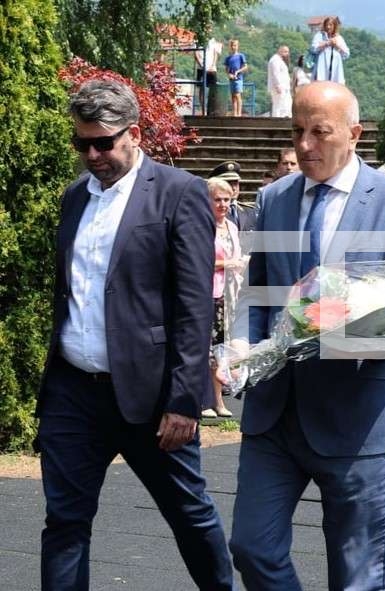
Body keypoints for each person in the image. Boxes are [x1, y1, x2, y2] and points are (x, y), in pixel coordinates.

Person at [227, 82, 385, 590]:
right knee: (251, 547)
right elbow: (258, 291)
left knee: (356, 576)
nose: (304, 145)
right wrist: (240, 346)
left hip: (356, 416)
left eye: (320, 132)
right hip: (274, 414)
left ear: (354, 134)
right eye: (297, 131)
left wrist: (340, 321)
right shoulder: (273, 199)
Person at [36, 78, 234, 590]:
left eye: (104, 143)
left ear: (135, 133)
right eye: (82, 143)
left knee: (188, 514)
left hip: (151, 398)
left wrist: (185, 399)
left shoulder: (179, 193)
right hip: (73, 394)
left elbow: (194, 305)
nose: (92, 155)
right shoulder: (75, 197)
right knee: (65, 521)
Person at [204, 178, 243, 420]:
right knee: (206, 348)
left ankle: (218, 401)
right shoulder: (202, 226)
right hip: (208, 293)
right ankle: (204, 400)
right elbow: (199, 260)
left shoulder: (232, 226)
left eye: (226, 199)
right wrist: (226, 263)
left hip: (230, 294)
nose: (223, 204)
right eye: (217, 199)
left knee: (221, 348)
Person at [209, 160, 257, 232]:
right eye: (229, 183)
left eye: (236, 183)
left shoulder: (250, 211)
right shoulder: (213, 212)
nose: (234, 188)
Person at [310, 16, 350, 84]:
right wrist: (327, 43)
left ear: (334, 26)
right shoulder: (319, 36)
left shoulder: (339, 38)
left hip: (335, 71)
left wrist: (336, 46)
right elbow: (313, 48)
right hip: (322, 69)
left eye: (330, 25)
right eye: (327, 25)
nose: (328, 27)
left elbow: (346, 54)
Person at [194, 30, 222, 116]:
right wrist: (201, 65)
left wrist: (213, 65)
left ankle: (212, 110)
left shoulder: (213, 41)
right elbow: (196, 54)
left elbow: (216, 54)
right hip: (201, 68)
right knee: (201, 89)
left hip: (212, 69)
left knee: (213, 89)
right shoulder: (197, 40)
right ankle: (203, 110)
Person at [224, 39, 248, 117]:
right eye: (232, 45)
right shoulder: (228, 58)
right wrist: (229, 74)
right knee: (233, 96)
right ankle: (235, 114)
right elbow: (226, 69)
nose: (233, 47)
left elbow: (245, 66)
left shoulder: (241, 56)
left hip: (238, 78)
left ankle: (239, 113)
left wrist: (238, 71)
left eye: (235, 45)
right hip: (231, 79)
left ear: (238, 46)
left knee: (238, 95)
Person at [267, 45, 292, 118]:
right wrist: (278, 85)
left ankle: (283, 120)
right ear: (280, 51)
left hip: (284, 88)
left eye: (288, 52)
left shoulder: (280, 60)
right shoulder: (275, 60)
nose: (287, 54)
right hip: (279, 88)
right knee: (278, 106)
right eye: (285, 52)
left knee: (285, 105)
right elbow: (275, 74)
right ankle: (277, 121)